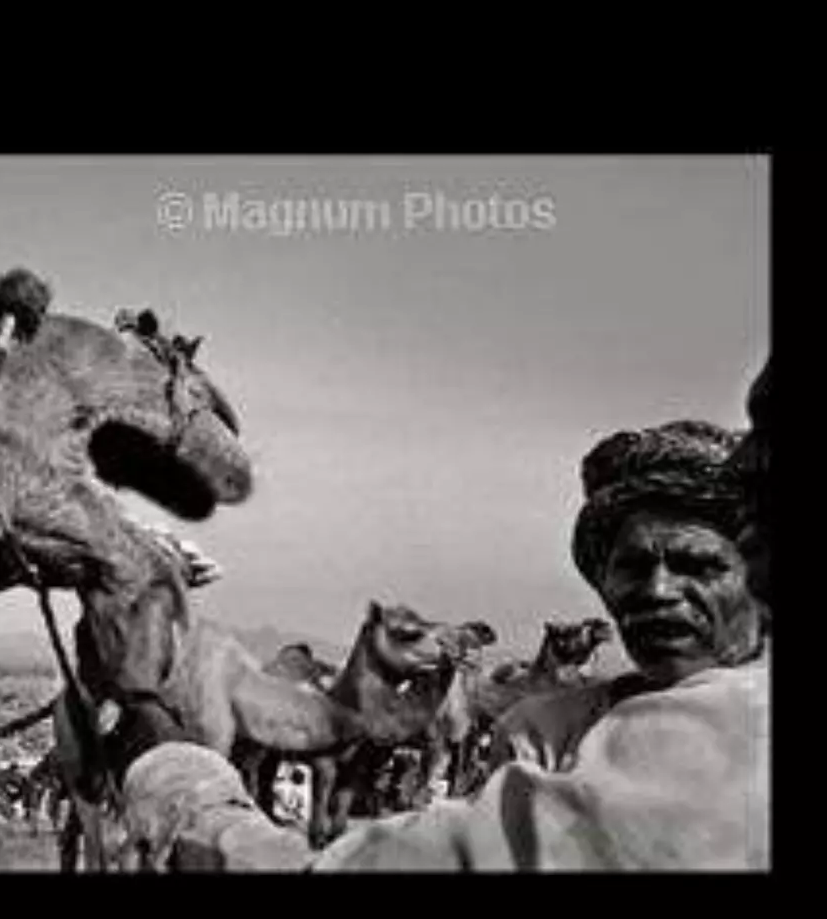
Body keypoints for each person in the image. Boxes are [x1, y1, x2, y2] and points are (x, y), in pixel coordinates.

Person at [122, 363, 770, 872]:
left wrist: (193, 797)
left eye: (699, 566)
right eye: (632, 567)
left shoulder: (745, 733)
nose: (657, 590)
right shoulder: (547, 727)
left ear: (757, 570)